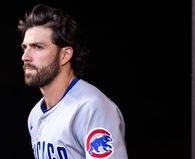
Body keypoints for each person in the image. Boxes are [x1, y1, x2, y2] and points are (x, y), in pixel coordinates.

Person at [17, 3, 128, 159]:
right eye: (24, 47)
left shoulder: (91, 108)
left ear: (65, 55)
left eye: (37, 47)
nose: (25, 57)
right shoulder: (35, 115)